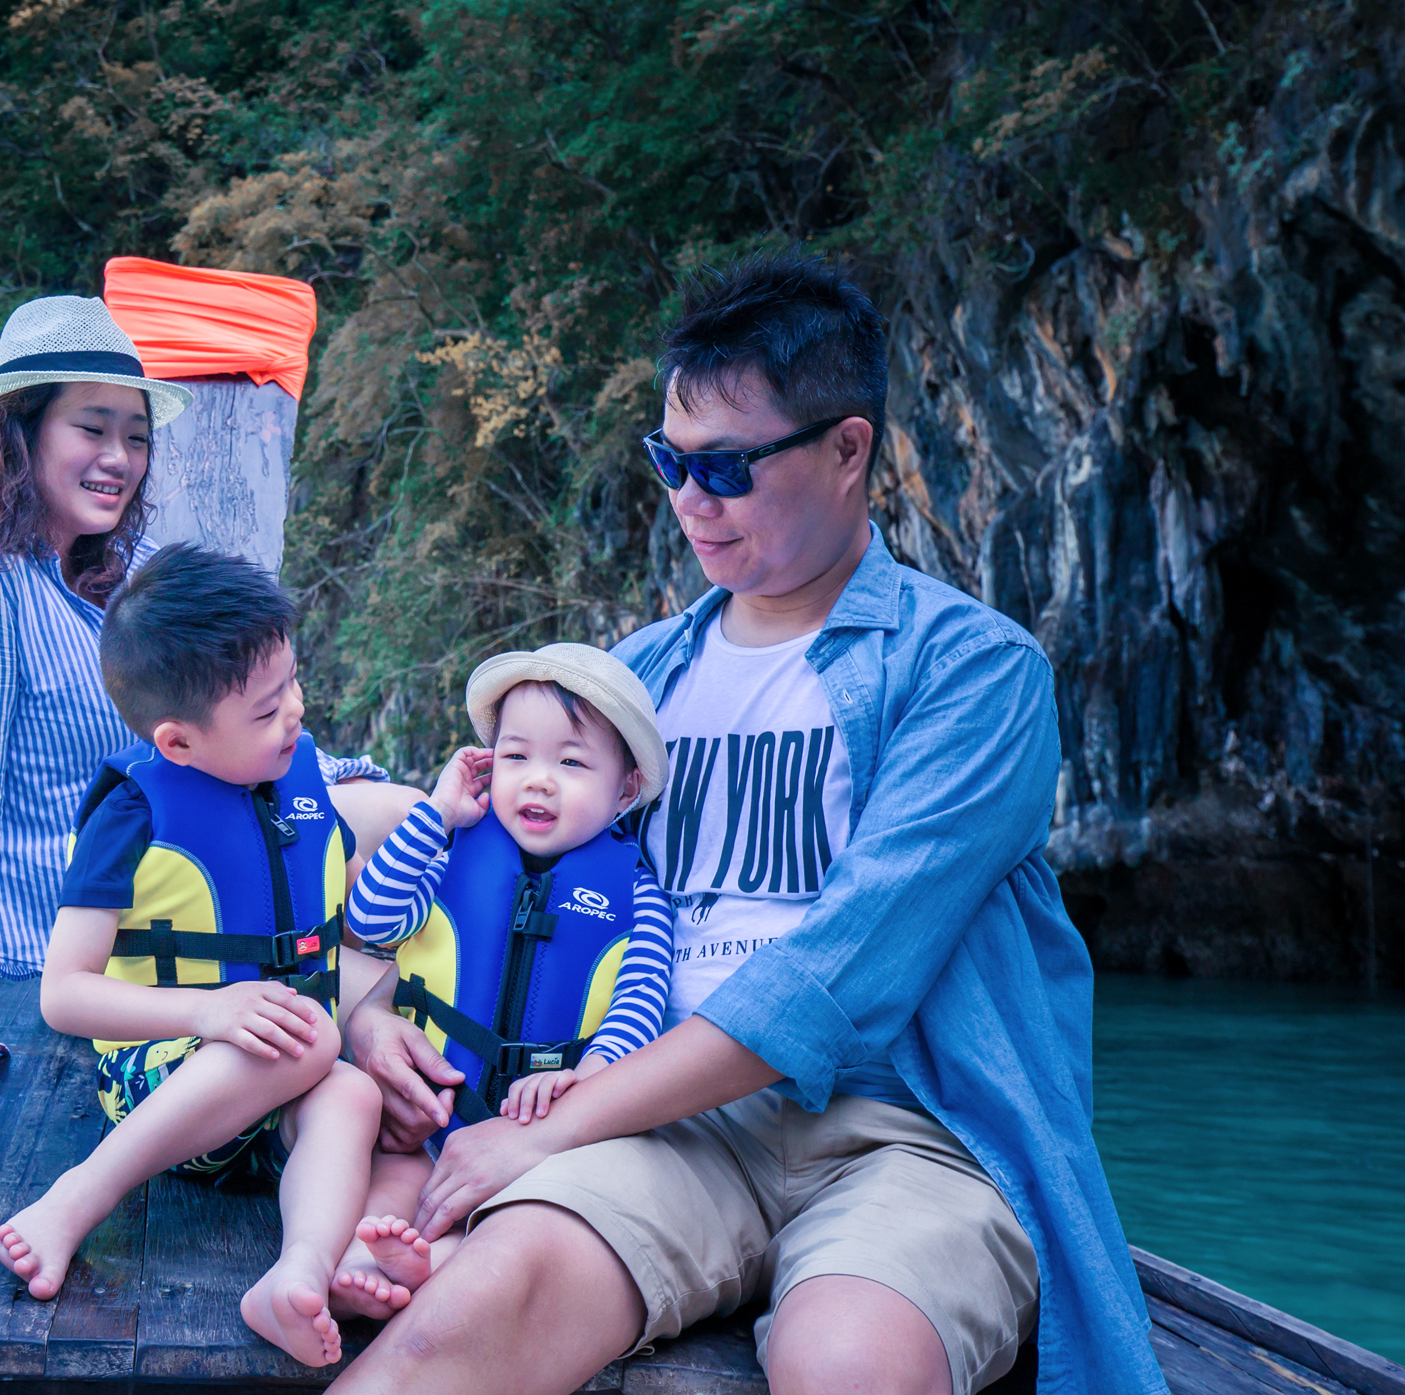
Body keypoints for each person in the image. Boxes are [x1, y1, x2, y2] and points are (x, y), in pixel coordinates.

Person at [332, 253, 1165, 1395]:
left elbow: (841, 973)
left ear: (848, 448)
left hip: (907, 1131)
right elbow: (481, 867)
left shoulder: (974, 673)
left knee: (849, 1368)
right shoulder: (630, 683)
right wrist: (369, 1011)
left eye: (724, 467)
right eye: (670, 461)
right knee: (453, 1328)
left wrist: (544, 1133)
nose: (688, 500)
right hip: (663, 1123)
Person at [0, 297, 421, 1083]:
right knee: (379, 863)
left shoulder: (126, 568)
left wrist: (327, 776)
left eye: (137, 436)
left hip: (187, 856)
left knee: (408, 823)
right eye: (91, 428)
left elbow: (215, 724)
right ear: (19, 434)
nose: (118, 457)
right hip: (86, 916)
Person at [0, 544, 381, 1367]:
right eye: (268, 711)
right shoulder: (134, 813)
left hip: (276, 1082)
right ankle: (77, 1199)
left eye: (293, 689)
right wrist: (206, 1011)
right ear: (177, 743)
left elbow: (349, 914)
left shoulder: (296, 779)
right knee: (314, 1039)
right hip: (158, 1074)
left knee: (350, 1093)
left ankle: (299, 1274)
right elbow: (63, 994)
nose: (297, 717)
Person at [329, 648, 673, 1322]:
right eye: (516, 758)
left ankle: (434, 1264)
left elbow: (641, 1004)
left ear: (627, 789)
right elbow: (369, 919)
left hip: (540, 1138)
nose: (538, 782)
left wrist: (592, 1074)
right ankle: (366, 1263)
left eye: (571, 764)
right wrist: (435, 815)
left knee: (527, 1219)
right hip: (432, 1121)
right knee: (395, 1181)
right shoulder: (453, 857)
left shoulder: (637, 895)